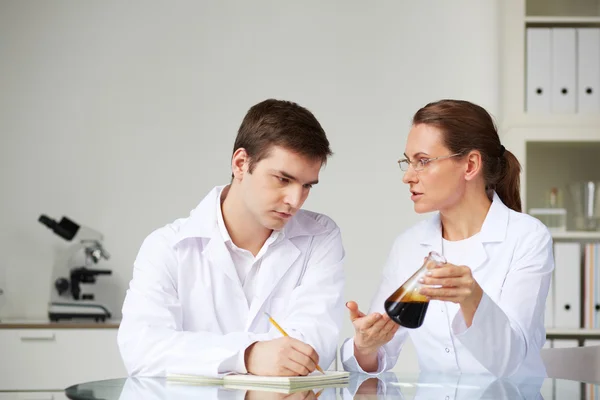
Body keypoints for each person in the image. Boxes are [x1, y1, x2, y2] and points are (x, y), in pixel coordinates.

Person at [118, 99, 345, 378]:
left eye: (307, 185)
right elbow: (143, 350)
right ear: (241, 164)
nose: (295, 200)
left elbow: (311, 348)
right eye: (283, 179)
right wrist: (247, 356)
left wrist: (204, 356)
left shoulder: (320, 237)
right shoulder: (166, 247)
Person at [341, 99, 554, 378]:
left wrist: (472, 299)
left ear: (470, 165)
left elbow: (508, 361)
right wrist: (365, 346)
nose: (408, 177)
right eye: (408, 162)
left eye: (423, 161)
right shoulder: (409, 245)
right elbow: (379, 354)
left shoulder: (526, 237)